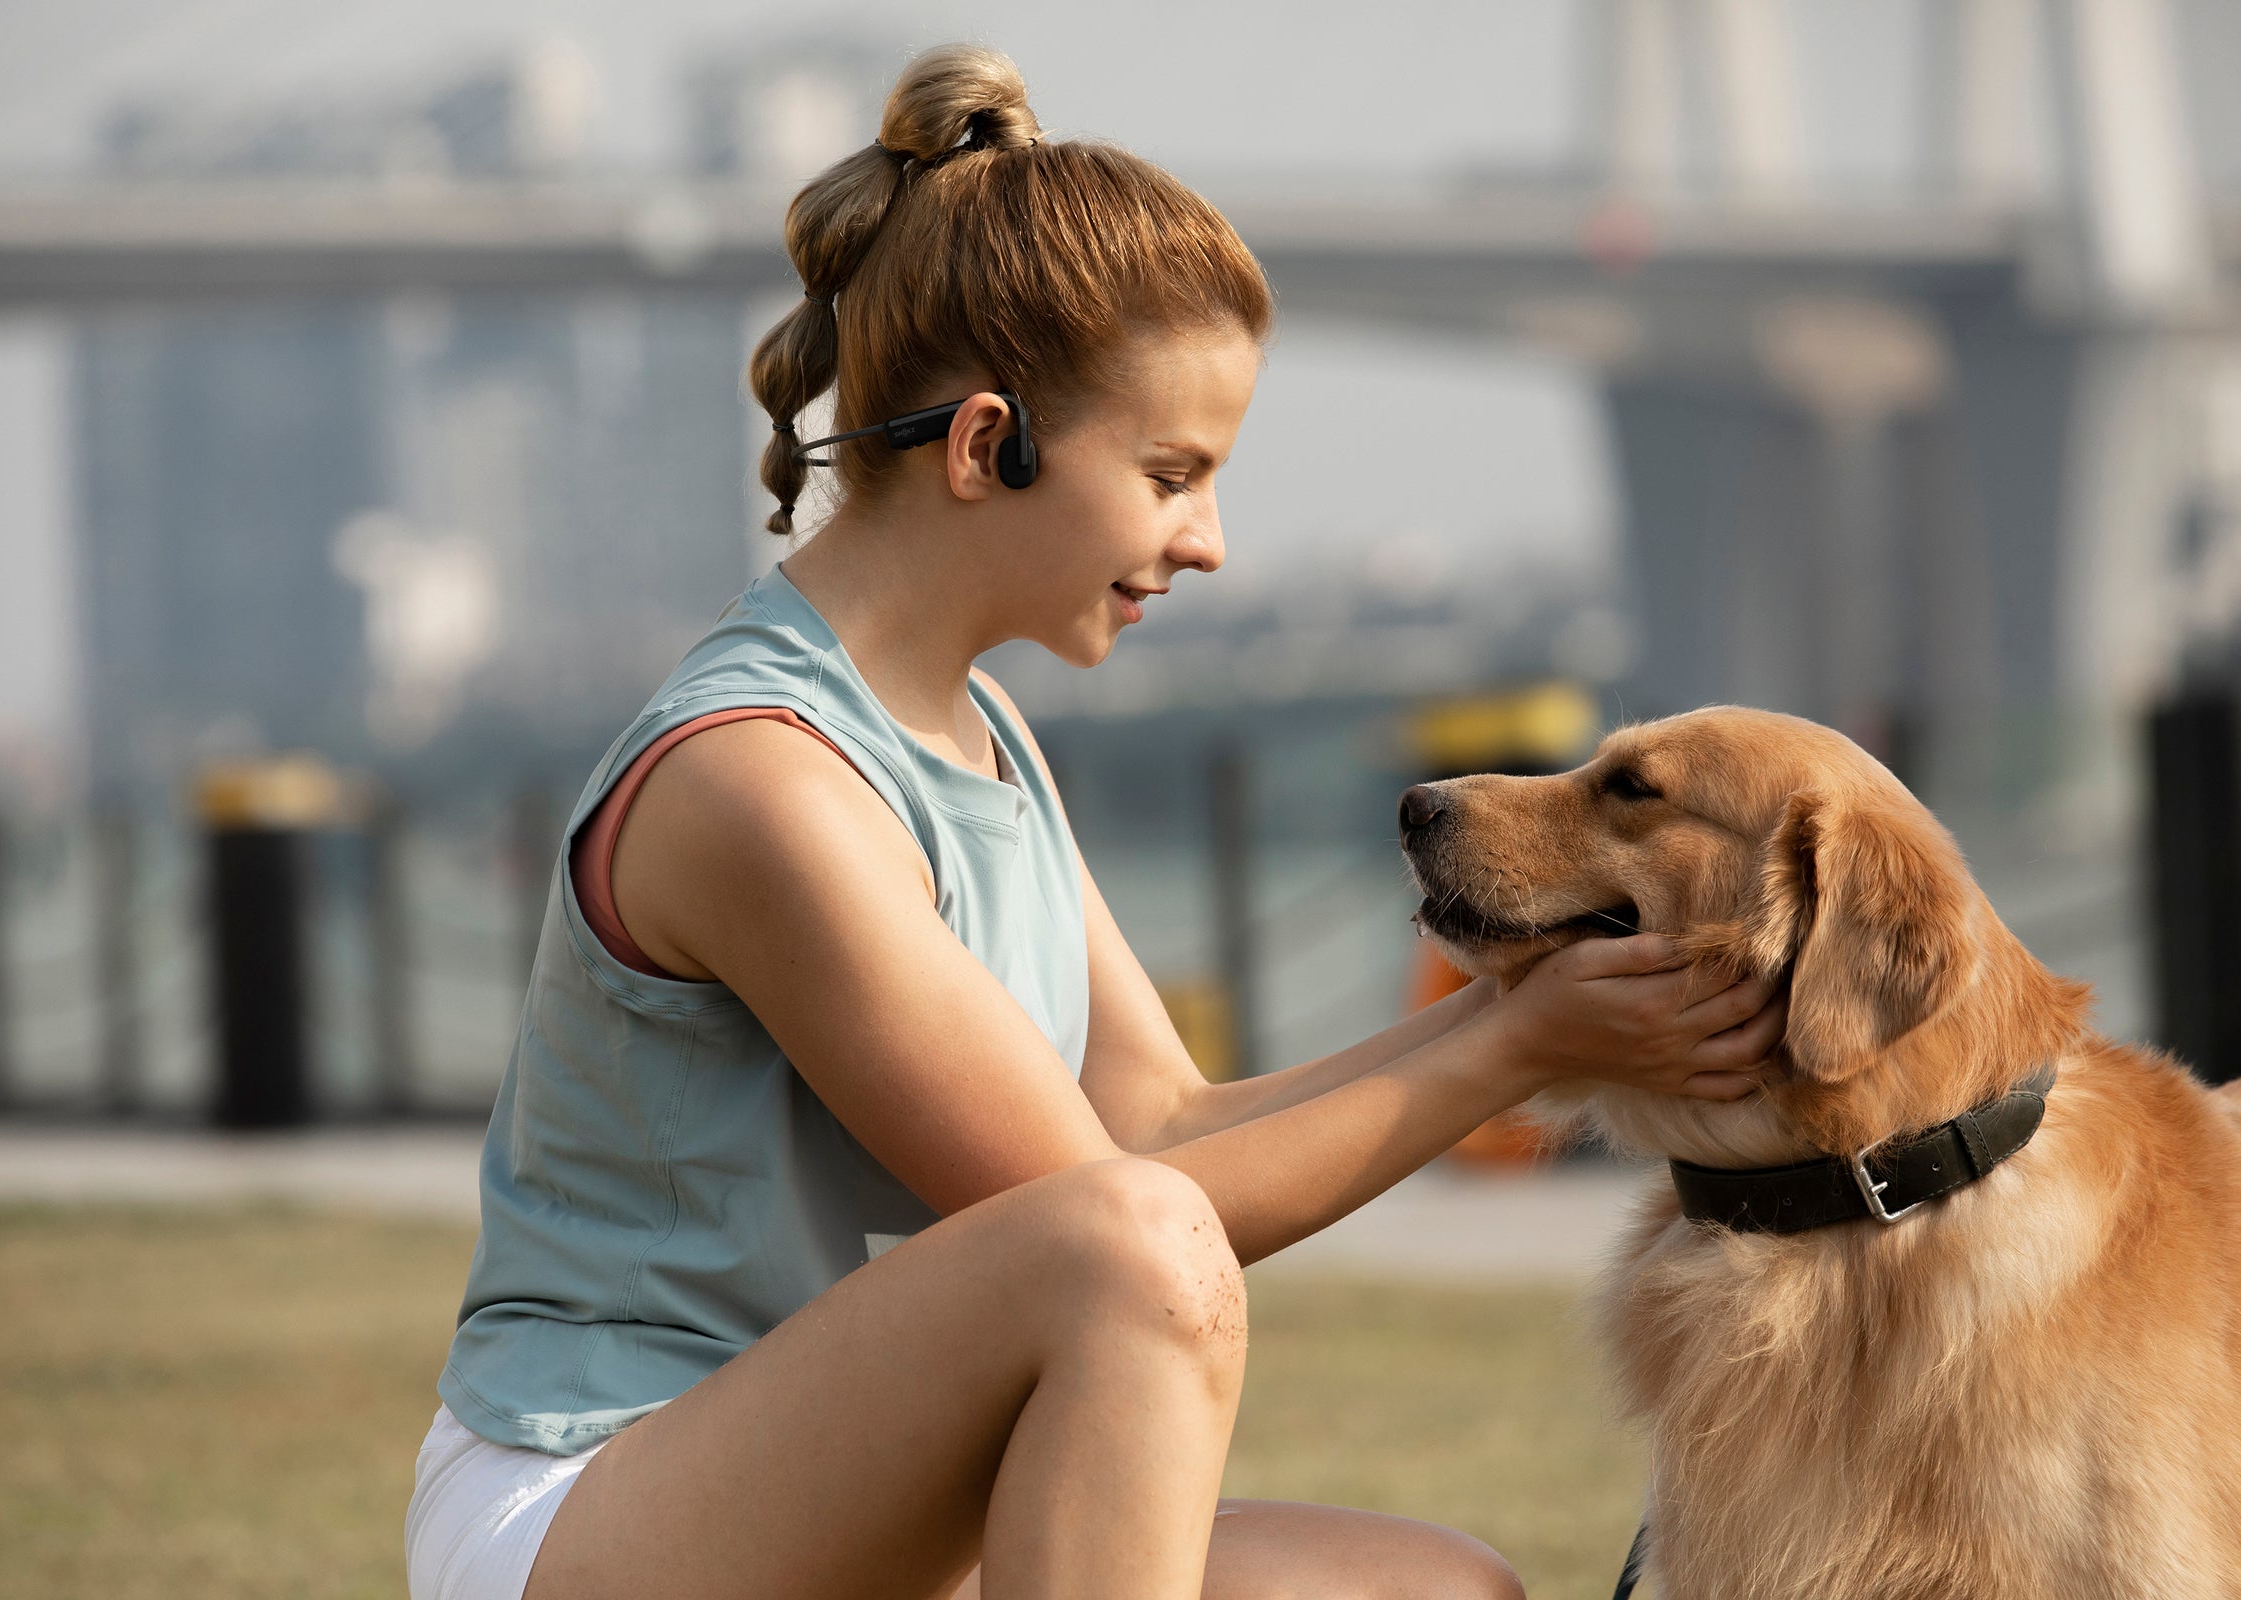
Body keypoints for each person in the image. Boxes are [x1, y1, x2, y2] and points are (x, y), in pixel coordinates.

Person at [404, 43, 1782, 1600]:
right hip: (594, 1508)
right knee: (1130, 1253)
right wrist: (1517, 1055)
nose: (1208, 542)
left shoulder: (981, 736)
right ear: (992, 446)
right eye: (1172, 474)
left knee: (1446, 1591)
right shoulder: (762, 784)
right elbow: (1099, 1218)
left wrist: (1539, 1007)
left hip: (851, 1499)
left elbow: (1162, 1131)